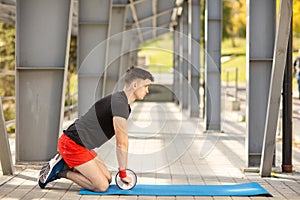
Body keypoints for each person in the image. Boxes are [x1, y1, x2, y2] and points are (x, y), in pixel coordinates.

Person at [38, 66, 154, 192]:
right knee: (102, 186)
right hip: (72, 144)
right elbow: (122, 143)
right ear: (135, 85)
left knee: (108, 178)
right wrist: (123, 173)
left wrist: (122, 172)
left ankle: (66, 163)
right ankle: (61, 172)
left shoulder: (121, 102)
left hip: (82, 145)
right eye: (146, 86)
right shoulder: (120, 105)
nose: (147, 91)